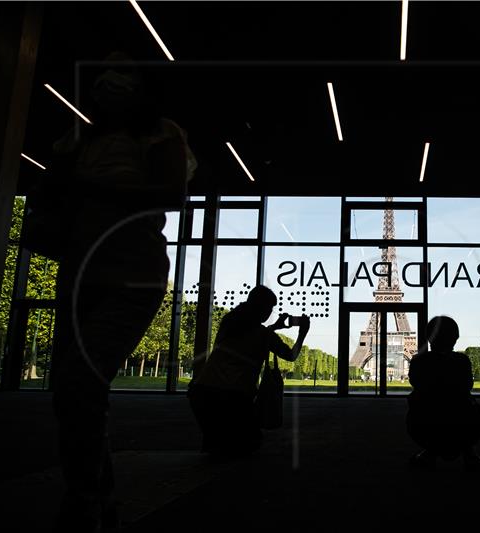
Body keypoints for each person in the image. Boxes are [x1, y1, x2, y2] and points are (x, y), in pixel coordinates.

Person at [50, 54, 195, 532]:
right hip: (81, 269)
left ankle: (85, 499)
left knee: (77, 383)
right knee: (76, 391)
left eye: (122, 75)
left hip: (131, 271)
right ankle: (95, 495)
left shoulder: (160, 133)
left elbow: (171, 193)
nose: (110, 83)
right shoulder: (81, 139)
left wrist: (88, 186)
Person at [188, 286, 309, 459]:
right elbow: (291, 355)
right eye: (270, 309)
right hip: (233, 397)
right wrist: (302, 333)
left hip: (201, 393)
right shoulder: (264, 335)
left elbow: (249, 333)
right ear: (263, 309)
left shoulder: (229, 322)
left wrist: (274, 327)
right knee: (250, 442)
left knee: (220, 443)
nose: (270, 313)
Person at [406, 316, 480, 471]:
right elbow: (467, 386)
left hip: (425, 419)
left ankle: (430, 452)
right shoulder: (462, 360)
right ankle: (469, 452)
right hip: (461, 419)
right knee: (473, 412)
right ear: (455, 338)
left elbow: (415, 384)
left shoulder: (418, 361)